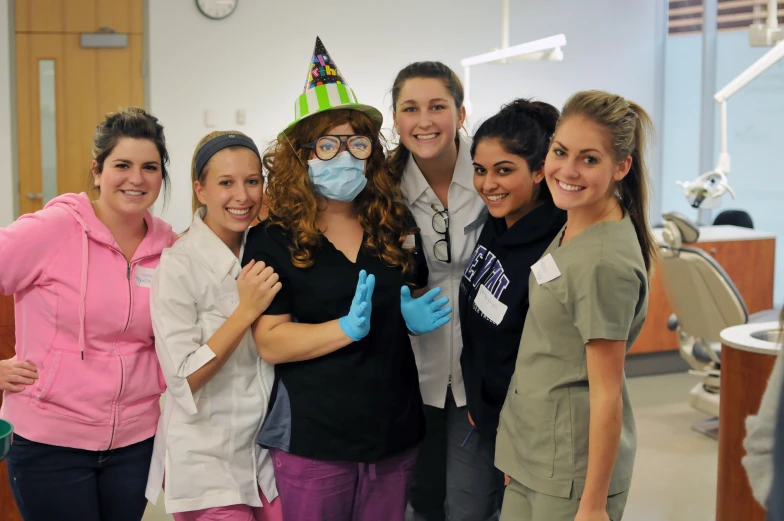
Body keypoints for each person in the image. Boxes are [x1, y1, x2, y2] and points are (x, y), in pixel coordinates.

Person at [242, 37, 450, 521]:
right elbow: (270, 341)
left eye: (357, 143)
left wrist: (408, 318)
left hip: (394, 432)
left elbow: (409, 292)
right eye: (328, 144)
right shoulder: (273, 239)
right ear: (301, 153)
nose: (345, 155)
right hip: (316, 439)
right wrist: (344, 330)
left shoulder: (392, 223)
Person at [0, 107, 175, 521]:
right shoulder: (52, 230)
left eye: (150, 167)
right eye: (122, 165)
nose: (137, 178)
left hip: (136, 443)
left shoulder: (170, 246)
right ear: (97, 172)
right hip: (50, 443)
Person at [495, 90, 656, 521]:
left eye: (589, 159)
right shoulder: (575, 226)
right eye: (560, 152)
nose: (567, 170)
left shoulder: (603, 264)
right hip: (534, 453)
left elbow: (607, 396)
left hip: (569, 473)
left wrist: (592, 505)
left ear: (621, 167)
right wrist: (520, 453)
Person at [145, 131, 283, 521]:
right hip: (206, 460)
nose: (242, 196)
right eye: (226, 183)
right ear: (200, 190)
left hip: (266, 458)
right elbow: (182, 379)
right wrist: (243, 313)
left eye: (252, 181)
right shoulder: (178, 266)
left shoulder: (267, 251)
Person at [387, 61, 488, 521]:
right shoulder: (379, 188)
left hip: (482, 377)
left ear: (461, 114)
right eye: (410, 108)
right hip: (407, 374)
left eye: (437, 106)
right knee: (418, 503)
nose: (423, 121)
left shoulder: (493, 174)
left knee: (470, 504)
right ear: (395, 119)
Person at [458, 99, 567, 518]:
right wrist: (478, 402)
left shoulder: (553, 247)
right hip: (489, 419)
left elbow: (545, 360)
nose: (488, 184)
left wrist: (515, 442)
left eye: (504, 170)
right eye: (481, 170)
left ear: (539, 171)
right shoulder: (497, 222)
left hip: (528, 439)